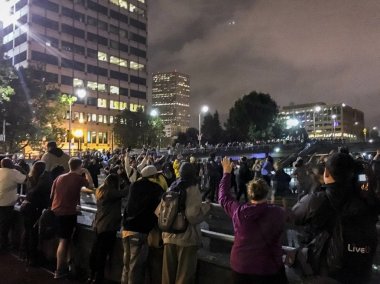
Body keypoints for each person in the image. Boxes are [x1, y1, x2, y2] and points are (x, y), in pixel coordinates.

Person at [292, 153, 378, 283]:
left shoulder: (318, 199)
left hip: (327, 271)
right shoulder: (367, 200)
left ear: (327, 174)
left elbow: (294, 216)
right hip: (362, 269)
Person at [218, 157, 288, 284]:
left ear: (250, 194)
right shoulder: (277, 212)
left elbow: (223, 198)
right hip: (268, 268)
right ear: (266, 193)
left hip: (241, 266)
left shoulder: (238, 212)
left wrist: (226, 173)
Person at [162, 162, 211, 284]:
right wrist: (206, 207)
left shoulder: (172, 187)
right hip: (186, 238)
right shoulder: (193, 187)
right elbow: (192, 216)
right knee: (184, 276)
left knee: (168, 276)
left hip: (168, 236)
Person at [121, 165, 164, 284]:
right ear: (154, 176)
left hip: (126, 228)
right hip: (140, 231)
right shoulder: (156, 188)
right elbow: (161, 208)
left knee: (126, 265)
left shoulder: (134, 185)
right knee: (136, 267)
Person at [50, 158, 90, 279]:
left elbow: (51, 195)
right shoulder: (78, 178)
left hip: (56, 211)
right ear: (80, 166)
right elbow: (91, 185)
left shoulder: (59, 177)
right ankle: (59, 270)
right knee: (64, 241)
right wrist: (87, 172)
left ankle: (67, 267)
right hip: (68, 213)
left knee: (65, 239)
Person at [88, 174, 128, 284]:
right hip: (108, 227)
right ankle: (98, 277)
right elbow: (125, 192)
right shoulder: (111, 192)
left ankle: (92, 275)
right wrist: (127, 180)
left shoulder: (101, 190)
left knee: (96, 251)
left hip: (99, 225)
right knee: (102, 253)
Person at [22, 161, 52, 265]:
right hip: (35, 209)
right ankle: (32, 257)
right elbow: (42, 191)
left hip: (27, 207)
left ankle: (25, 254)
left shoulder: (30, 178)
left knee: (27, 231)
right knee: (33, 234)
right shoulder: (43, 181)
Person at [0, 158, 27, 252]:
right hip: (7, 203)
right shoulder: (13, 172)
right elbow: (26, 179)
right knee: (5, 226)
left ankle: (4, 245)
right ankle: (4, 246)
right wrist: (20, 168)